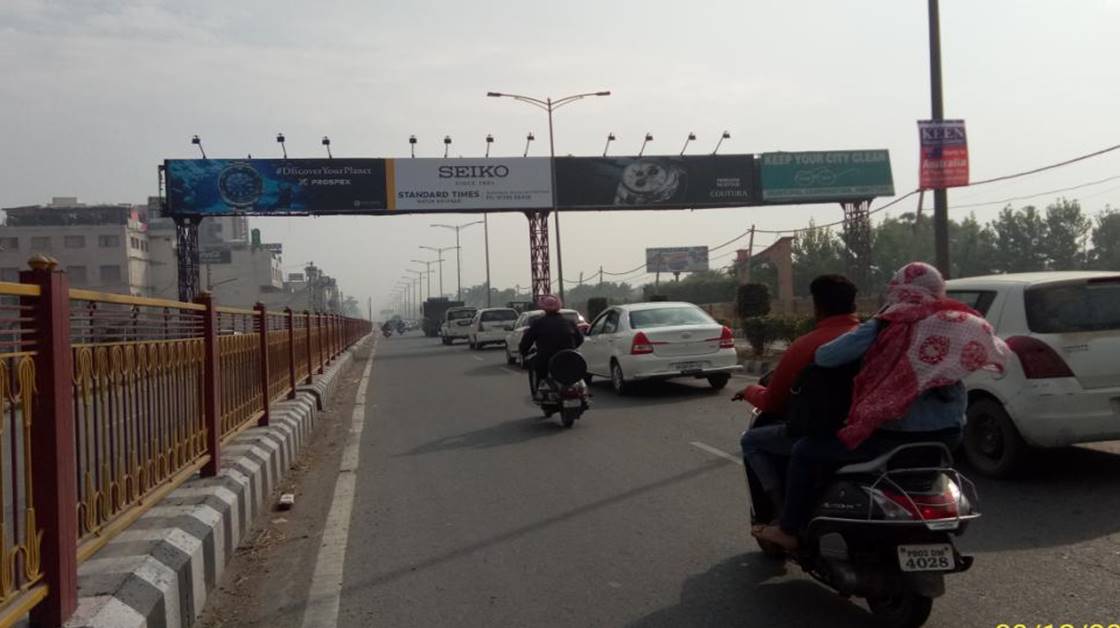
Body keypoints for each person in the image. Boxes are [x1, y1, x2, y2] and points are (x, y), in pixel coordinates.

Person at [753, 261, 1009, 551]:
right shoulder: (961, 320)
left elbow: (827, 356)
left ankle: (788, 528)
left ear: (899, 290)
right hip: (949, 434)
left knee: (805, 451)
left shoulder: (891, 321)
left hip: (893, 435)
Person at [737, 275, 860, 523]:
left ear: (817, 307)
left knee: (751, 440)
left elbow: (772, 402)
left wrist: (749, 391)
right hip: (873, 434)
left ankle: (779, 512)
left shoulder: (807, 345)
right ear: (854, 305)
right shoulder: (872, 339)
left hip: (827, 433)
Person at [518, 295, 584, 399]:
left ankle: (538, 392)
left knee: (536, 367)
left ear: (543, 308)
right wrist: (572, 348)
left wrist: (523, 351)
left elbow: (526, 341)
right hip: (570, 359)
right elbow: (580, 339)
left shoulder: (538, 323)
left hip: (546, 360)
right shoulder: (569, 322)